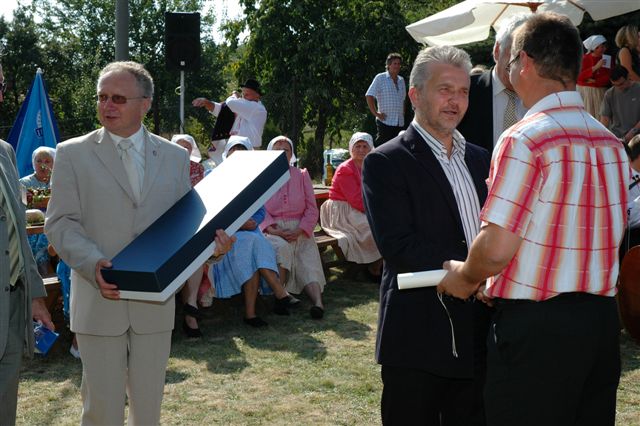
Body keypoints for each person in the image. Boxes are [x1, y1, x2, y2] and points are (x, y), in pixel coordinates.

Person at [438, 13, 628, 426]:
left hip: (537, 333)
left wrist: (465, 276)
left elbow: (496, 248)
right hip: (600, 326)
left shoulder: (525, 138)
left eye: (509, 61)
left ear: (523, 61)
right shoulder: (611, 143)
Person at [45, 61, 234, 425]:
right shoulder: (71, 153)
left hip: (154, 306)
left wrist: (214, 249)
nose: (107, 105)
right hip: (99, 299)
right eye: (102, 97)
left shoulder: (174, 156)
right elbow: (60, 222)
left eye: (118, 98)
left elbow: (186, 225)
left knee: (148, 411)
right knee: (101, 411)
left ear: (145, 103)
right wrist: (92, 263)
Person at [362, 45, 491, 425]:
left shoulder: (482, 159)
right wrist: (467, 272)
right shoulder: (386, 161)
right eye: (444, 89)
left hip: (479, 334)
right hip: (417, 337)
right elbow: (397, 244)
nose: (456, 101)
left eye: (463, 91)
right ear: (415, 95)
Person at [0, 61, 54, 425]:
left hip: (13, 306)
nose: (1, 95)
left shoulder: (5, 151)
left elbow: (17, 229)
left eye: (1, 86)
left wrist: (35, 296)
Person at [209, 136, 296, 328]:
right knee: (254, 244)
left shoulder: (252, 180)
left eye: (242, 154)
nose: (237, 158)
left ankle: (252, 313)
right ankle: (279, 292)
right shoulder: (214, 177)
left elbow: (260, 211)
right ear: (226, 155)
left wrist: (253, 222)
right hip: (224, 237)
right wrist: (238, 224)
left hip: (250, 234)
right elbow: (210, 213)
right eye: (233, 154)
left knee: (253, 247)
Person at [261, 136, 327, 319]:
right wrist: (272, 229)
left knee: (308, 261)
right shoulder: (262, 178)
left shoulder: (301, 175)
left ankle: (318, 303)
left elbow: (312, 209)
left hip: (300, 228)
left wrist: (300, 230)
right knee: (282, 252)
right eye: (277, 150)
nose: (282, 154)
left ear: (291, 154)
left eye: (286, 150)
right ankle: (280, 297)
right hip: (273, 230)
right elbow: (259, 209)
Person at [457, 13, 529, 153]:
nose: (521, 64)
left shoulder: (543, 98)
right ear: (497, 51)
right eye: (515, 54)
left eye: (530, 57)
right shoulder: (466, 91)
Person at [320, 132, 382, 279]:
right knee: (374, 228)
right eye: (357, 146)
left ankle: (376, 265)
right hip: (342, 210)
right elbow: (356, 200)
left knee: (391, 225)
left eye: (365, 146)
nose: (361, 150)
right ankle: (372, 268)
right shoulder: (345, 169)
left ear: (371, 148)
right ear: (351, 149)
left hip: (361, 207)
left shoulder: (372, 166)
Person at [169, 133, 208, 337]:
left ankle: (191, 307)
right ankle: (187, 311)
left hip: (190, 222)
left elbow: (200, 197)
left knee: (195, 252)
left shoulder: (197, 169)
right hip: (165, 225)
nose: (184, 150)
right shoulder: (162, 168)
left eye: (187, 147)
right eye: (180, 147)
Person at [192, 79, 267, 163]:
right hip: (233, 148)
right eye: (243, 94)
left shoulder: (257, 108)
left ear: (257, 95)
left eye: (247, 94)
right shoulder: (242, 106)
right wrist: (206, 102)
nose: (244, 97)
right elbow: (220, 110)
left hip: (249, 150)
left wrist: (234, 95)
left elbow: (230, 103)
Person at [19, 147, 56, 275]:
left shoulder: (59, 181)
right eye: (39, 161)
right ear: (33, 163)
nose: (42, 165)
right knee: (35, 238)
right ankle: (37, 272)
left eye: (47, 161)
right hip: (31, 224)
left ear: (54, 163)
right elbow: (21, 205)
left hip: (54, 222)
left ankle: (45, 271)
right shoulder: (23, 183)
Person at [366, 53, 406, 147]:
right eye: (395, 63)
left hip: (399, 122)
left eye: (399, 64)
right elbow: (369, 95)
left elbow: (403, 99)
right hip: (385, 120)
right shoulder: (380, 78)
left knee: (396, 148)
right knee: (382, 146)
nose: (397, 66)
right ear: (388, 65)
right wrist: (376, 113)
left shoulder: (401, 80)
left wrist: (403, 113)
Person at [600, 65, 640, 142]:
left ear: (628, 77)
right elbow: (605, 119)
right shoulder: (609, 94)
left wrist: (633, 131)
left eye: (621, 84)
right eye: (615, 85)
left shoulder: (638, 89)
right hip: (617, 136)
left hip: (637, 137)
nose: (618, 87)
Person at [577, 34, 611, 119]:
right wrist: (595, 67)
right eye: (602, 47)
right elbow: (578, 76)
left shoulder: (606, 59)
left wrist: (596, 81)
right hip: (587, 93)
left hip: (600, 91)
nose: (604, 49)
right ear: (595, 48)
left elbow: (609, 76)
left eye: (605, 46)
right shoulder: (584, 59)